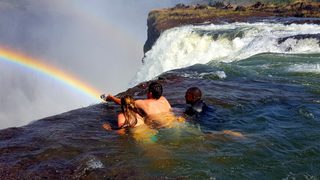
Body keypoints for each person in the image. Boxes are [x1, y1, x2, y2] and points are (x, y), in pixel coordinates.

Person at [102, 82, 177, 128]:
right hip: (174, 123)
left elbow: (125, 102)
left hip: (160, 126)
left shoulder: (143, 103)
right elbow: (171, 111)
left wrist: (112, 98)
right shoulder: (164, 99)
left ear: (150, 93)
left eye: (148, 91)